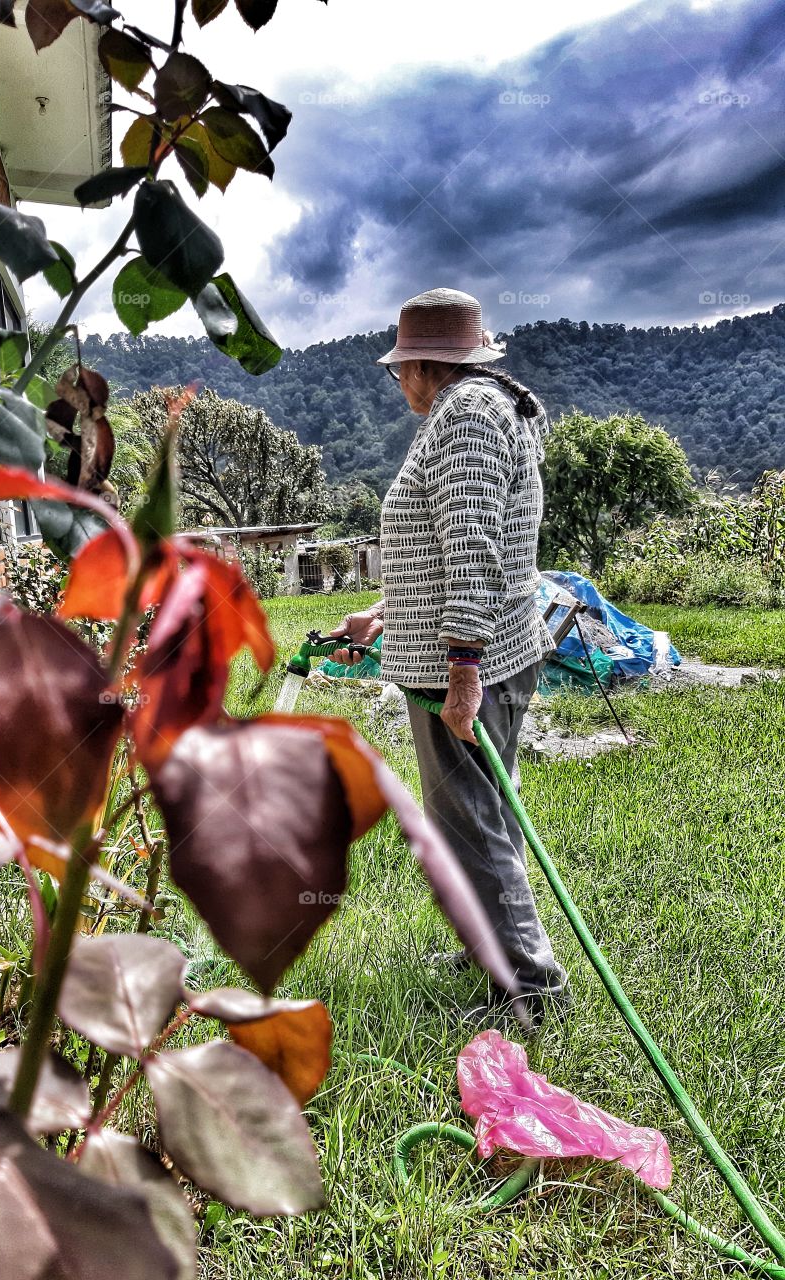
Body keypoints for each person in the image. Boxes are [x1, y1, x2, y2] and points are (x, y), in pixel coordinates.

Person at [329, 287, 569, 1029]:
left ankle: (530, 989)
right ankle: (488, 944)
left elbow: (473, 550)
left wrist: (462, 669)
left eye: (400, 368)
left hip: (470, 662)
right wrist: (382, 613)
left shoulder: (465, 415)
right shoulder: (484, 409)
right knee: (486, 808)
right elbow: (447, 547)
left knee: (468, 816)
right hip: (494, 648)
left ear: (425, 367)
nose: (397, 381)